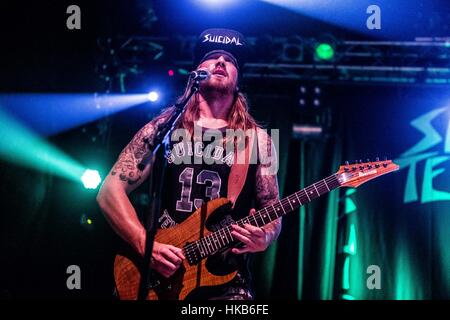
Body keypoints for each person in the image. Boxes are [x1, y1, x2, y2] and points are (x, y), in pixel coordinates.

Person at [97, 28, 281, 300]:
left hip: (225, 277)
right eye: (212, 57)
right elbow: (109, 191)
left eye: (229, 60)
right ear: (196, 71)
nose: (220, 62)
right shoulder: (164, 128)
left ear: (238, 78)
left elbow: (273, 211)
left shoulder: (258, 140)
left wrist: (265, 237)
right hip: (164, 270)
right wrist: (144, 242)